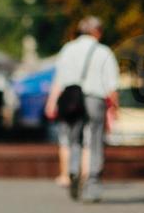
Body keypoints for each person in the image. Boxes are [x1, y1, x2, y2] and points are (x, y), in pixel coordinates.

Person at [45, 16, 119, 201]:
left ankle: (73, 170)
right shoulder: (104, 52)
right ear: (97, 31)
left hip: (71, 99)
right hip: (95, 98)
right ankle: (92, 182)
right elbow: (112, 85)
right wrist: (115, 109)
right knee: (94, 139)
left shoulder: (68, 49)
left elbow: (59, 79)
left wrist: (52, 102)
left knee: (74, 137)